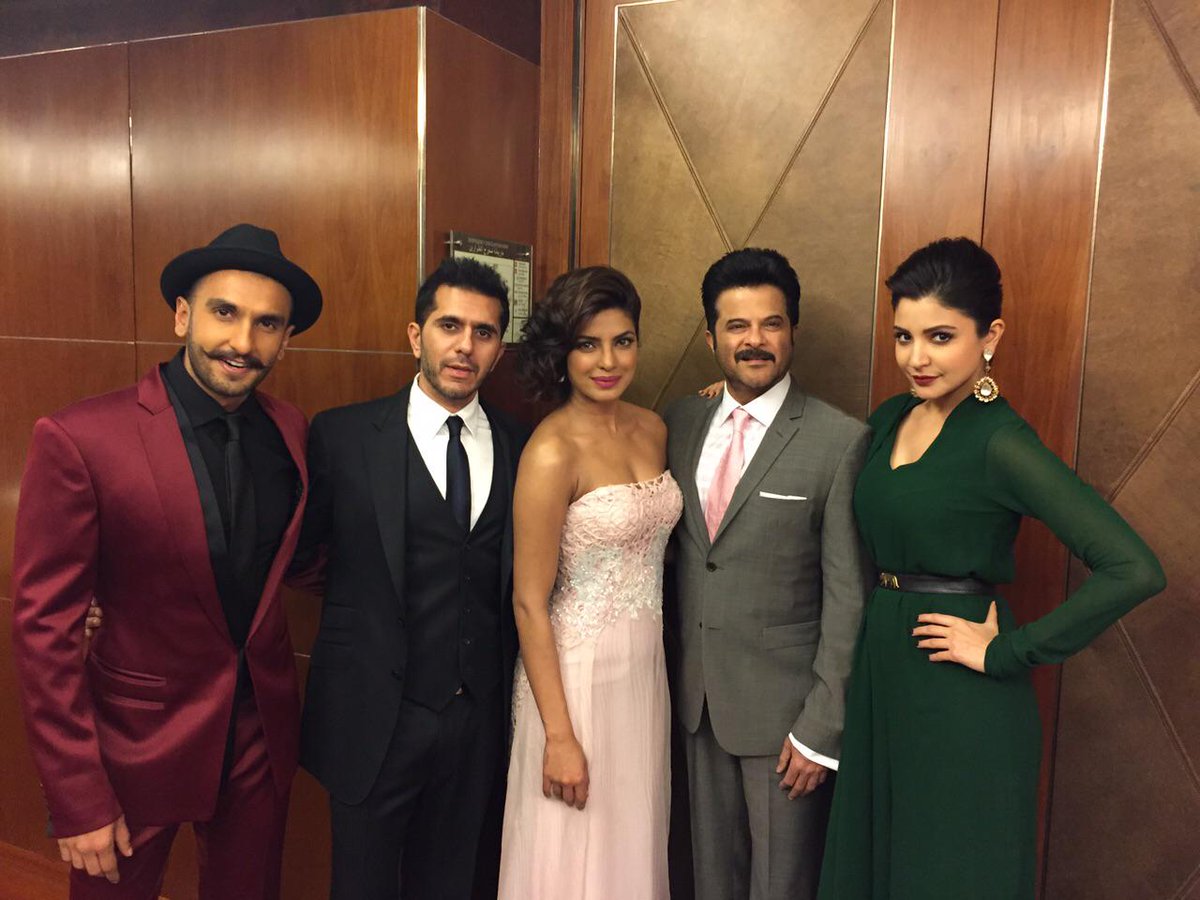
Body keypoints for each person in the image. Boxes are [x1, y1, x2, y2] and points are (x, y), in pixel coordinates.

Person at [817, 237, 1166, 900]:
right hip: (884, 673)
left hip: (960, 695)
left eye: (940, 336)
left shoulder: (1001, 441)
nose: (916, 358)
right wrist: (736, 397)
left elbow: (1134, 568)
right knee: (879, 864)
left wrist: (1008, 651)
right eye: (904, 337)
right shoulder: (891, 417)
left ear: (990, 336)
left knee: (946, 873)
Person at [11, 224, 321, 899]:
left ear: (287, 338)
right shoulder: (81, 438)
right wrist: (76, 796)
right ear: (183, 315)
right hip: (133, 741)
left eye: (267, 323)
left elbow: (286, 561)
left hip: (259, 736)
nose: (243, 341)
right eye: (224, 312)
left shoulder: (291, 430)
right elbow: (44, 631)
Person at [293, 257, 529, 900]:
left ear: (498, 349)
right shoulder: (342, 435)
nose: (465, 346)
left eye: (484, 332)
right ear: (415, 334)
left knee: (455, 884)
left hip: (477, 723)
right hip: (372, 718)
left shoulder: (521, 443)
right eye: (450, 325)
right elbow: (303, 555)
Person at [663, 248, 874, 900]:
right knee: (710, 883)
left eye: (771, 323)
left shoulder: (840, 440)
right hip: (695, 706)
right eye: (737, 325)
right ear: (711, 338)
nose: (754, 340)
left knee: (781, 887)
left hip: (787, 721)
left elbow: (849, 597)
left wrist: (822, 727)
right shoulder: (678, 422)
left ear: (793, 331)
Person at [497, 266, 680, 899]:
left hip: (643, 675)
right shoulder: (552, 450)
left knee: (628, 846)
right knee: (574, 853)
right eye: (587, 344)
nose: (608, 361)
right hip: (573, 682)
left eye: (622, 341)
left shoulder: (654, 428)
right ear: (562, 353)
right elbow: (528, 602)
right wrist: (560, 736)